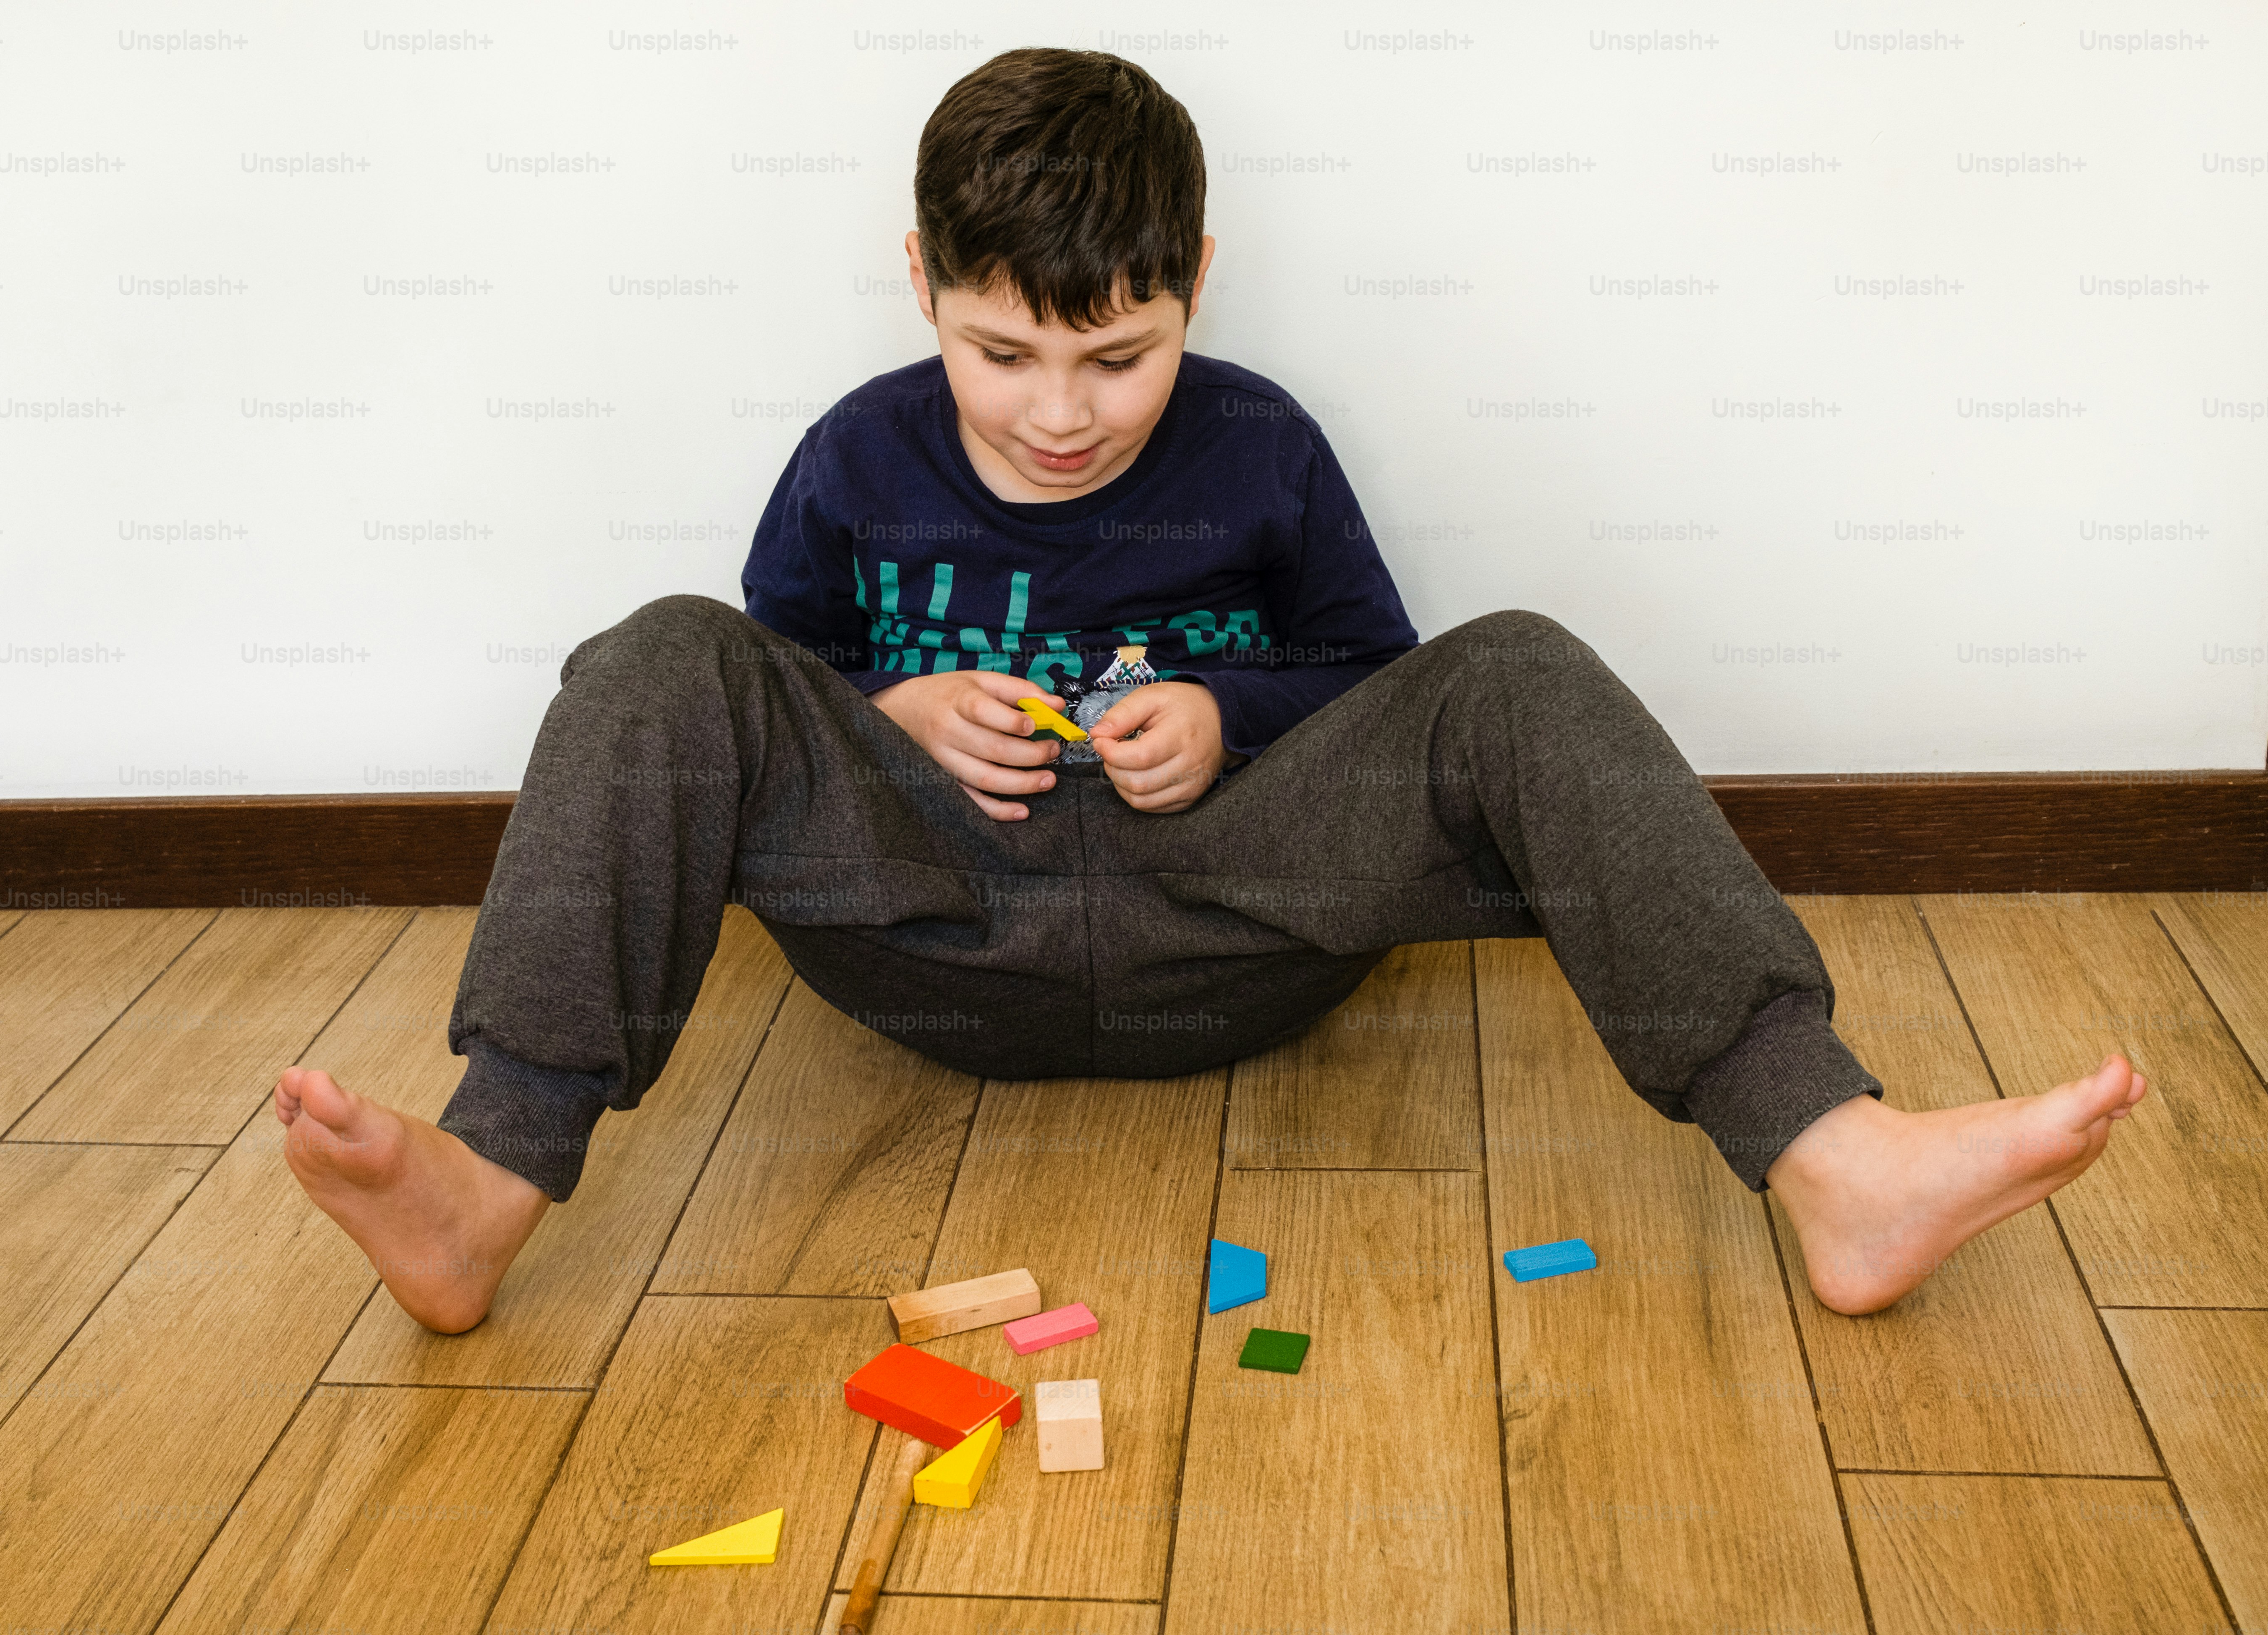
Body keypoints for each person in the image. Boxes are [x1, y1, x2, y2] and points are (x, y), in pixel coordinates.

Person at [273, 48, 2145, 1333]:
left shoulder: (1262, 448)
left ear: (1196, 288)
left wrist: (1233, 721)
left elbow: (1390, 688)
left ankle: (1833, 1157)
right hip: (942, 931)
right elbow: (769, 684)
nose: (1061, 410)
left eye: (1121, 351)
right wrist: (893, 713)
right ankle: (487, 1184)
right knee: (660, 651)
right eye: (1003, 351)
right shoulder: (853, 455)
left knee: (1519, 670)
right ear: (920, 282)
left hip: (1227, 920)